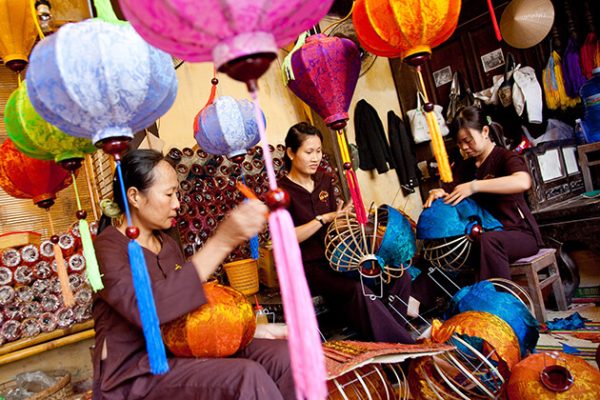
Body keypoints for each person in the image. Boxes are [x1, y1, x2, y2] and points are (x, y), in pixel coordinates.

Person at [92, 149, 295, 400]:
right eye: (168, 194)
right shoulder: (108, 246)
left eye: (176, 193)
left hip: (184, 351)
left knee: (283, 357)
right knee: (245, 376)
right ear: (134, 196)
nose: (177, 203)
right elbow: (148, 309)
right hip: (135, 372)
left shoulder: (167, 244)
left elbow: (190, 316)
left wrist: (249, 330)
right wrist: (221, 242)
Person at [278, 122, 415, 344]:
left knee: (399, 275)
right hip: (311, 267)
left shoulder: (324, 180)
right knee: (360, 290)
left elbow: (337, 221)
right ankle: (404, 346)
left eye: (319, 151)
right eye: (309, 152)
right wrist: (324, 219)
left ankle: (394, 339)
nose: (316, 158)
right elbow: (285, 238)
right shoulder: (281, 192)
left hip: (342, 258)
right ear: (291, 152)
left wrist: (345, 220)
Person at [424, 106, 543, 280]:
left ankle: (497, 302)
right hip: (483, 237)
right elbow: (452, 191)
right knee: (445, 248)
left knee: (489, 241)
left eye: (468, 140)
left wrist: (475, 186)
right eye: (460, 143)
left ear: (485, 131)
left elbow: (522, 181)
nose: (464, 147)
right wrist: (439, 192)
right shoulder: (465, 167)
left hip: (519, 234)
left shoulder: (505, 157)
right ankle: (415, 302)